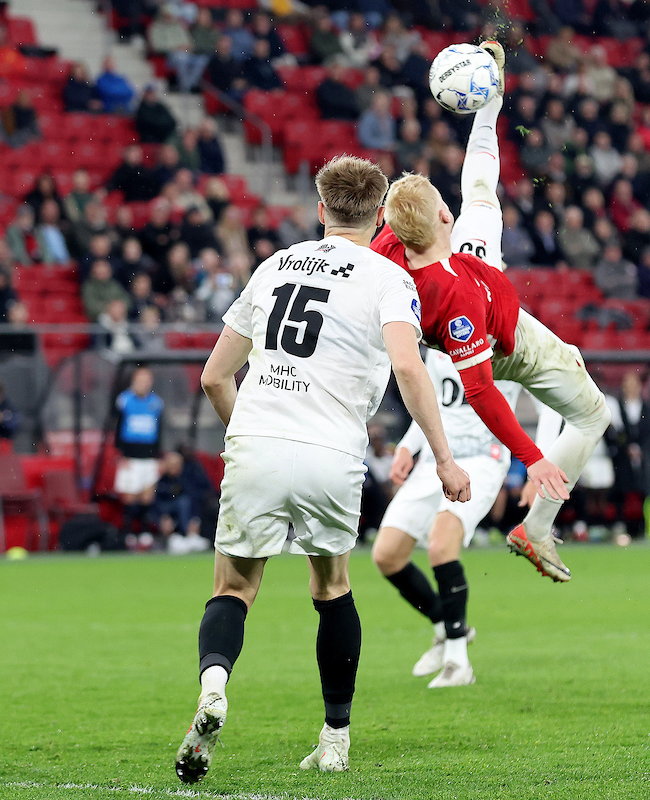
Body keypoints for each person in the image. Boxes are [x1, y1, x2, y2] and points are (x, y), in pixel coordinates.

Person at [175, 155, 470, 783]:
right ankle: (334, 739)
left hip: (256, 437)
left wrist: (249, 434)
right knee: (331, 588)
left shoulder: (275, 266)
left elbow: (213, 375)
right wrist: (442, 458)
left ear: (321, 210)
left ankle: (214, 686)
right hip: (332, 452)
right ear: (381, 214)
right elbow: (411, 368)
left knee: (234, 588)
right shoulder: (389, 279)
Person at [371, 42, 611, 583]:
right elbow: (479, 390)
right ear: (439, 217)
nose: (447, 201)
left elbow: (474, 175)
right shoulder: (457, 285)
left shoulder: (391, 251)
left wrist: (488, 100)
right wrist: (534, 456)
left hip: (474, 335)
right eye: (439, 200)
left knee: (481, 186)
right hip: (506, 344)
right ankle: (537, 528)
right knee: (595, 416)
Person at [370, 82, 563, 685]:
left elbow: (482, 170)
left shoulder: (486, 289)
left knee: (442, 546)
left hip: (482, 457)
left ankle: (458, 659)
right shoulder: (409, 279)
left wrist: (540, 463)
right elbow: (422, 375)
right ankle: (448, 628)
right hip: (440, 451)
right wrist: (409, 445)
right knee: (385, 555)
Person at [113, 367, 164, 537]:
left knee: (147, 497)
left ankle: (144, 533)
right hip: (130, 456)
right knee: (129, 497)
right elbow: (118, 429)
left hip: (148, 456)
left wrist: (158, 457)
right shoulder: (124, 401)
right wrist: (121, 454)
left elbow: (159, 432)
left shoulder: (156, 403)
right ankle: (128, 534)